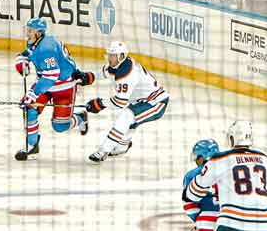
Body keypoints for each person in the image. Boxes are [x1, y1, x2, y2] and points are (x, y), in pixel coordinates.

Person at [84, 40, 170, 164]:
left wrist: (99, 103)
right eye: (109, 55)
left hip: (156, 103)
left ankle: (103, 150)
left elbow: (119, 102)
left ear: (121, 56)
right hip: (142, 101)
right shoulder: (120, 65)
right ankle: (122, 146)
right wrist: (89, 76)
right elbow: (105, 72)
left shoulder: (127, 73)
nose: (110, 58)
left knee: (127, 116)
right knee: (131, 118)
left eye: (113, 56)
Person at [14, 17, 86, 160]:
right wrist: (22, 60)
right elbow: (31, 52)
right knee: (30, 109)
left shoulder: (47, 48)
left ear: (39, 33)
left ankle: (80, 118)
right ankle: (32, 145)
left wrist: (33, 93)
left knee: (60, 126)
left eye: (30, 31)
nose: (27, 33)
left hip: (64, 87)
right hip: (46, 86)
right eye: (27, 30)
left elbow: (51, 77)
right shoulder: (36, 41)